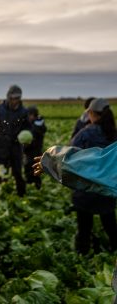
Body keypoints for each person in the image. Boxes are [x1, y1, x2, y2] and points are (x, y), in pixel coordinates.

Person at [34, 98, 117, 255]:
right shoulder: (114, 134)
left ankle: (82, 255)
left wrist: (54, 162)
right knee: (110, 223)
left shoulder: (85, 133)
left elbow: (74, 157)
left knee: (84, 228)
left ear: (91, 113)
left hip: (85, 189)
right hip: (107, 191)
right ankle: (113, 247)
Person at [0, 85, 31, 197]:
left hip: (15, 147)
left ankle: (21, 196)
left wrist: (27, 137)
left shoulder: (23, 111)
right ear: (8, 97)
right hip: (1, 145)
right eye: (13, 98)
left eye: (17, 98)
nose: (15, 100)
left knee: (17, 173)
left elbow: (28, 127)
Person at [23, 105, 47, 189]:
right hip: (35, 152)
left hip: (32, 153)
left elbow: (30, 140)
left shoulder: (36, 126)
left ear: (33, 115)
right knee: (35, 173)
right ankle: (36, 189)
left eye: (29, 115)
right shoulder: (38, 124)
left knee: (31, 172)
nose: (28, 117)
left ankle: (32, 189)